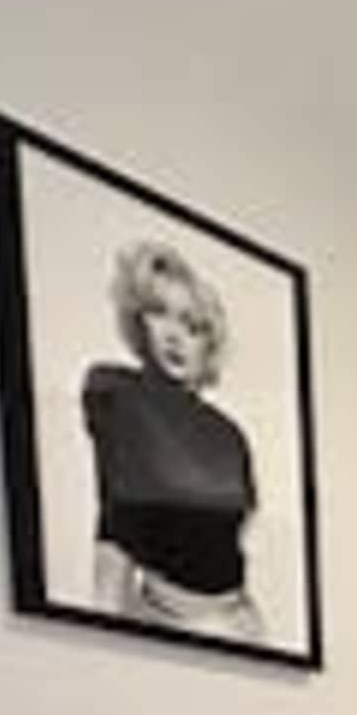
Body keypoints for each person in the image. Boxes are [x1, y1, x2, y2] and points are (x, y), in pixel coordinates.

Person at [83, 240, 262, 642]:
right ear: (139, 320)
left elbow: (233, 534)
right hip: (160, 617)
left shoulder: (229, 436)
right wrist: (103, 625)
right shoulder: (115, 392)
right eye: (159, 312)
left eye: (192, 326)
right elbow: (115, 523)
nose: (174, 336)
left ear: (208, 345)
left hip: (239, 620)